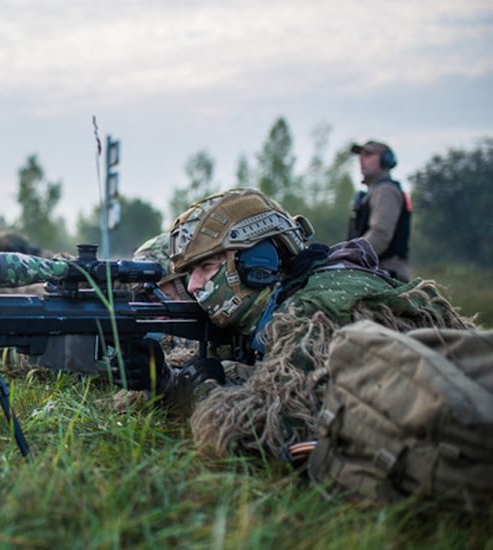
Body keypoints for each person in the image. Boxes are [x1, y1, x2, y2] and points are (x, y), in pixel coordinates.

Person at [120, 188, 470, 461]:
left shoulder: (316, 310)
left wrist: (192, 392)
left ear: (258, 262)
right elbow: (251, 372)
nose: (194, 286)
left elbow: (276, 427)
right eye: (189, 273)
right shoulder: (267, 310)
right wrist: (165, 378)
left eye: (207, 267)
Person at [348, 140, 412, 281]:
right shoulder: (372, 192)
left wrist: (346, 257)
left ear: (386, 160)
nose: (361, 159)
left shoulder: (385, 190)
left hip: (386, 274)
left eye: (369, 154)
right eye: (360, 155)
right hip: (373, 271)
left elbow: (380, 235)